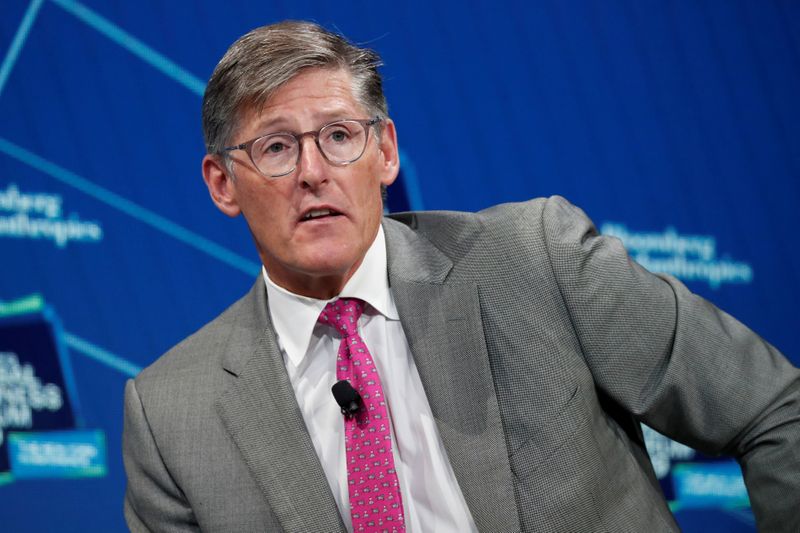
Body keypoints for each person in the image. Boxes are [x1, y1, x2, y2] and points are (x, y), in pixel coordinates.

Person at [122, 20, 800, 533]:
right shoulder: (171, 417)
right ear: (222, 183)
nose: (312, 171)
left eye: (337, 135)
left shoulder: (537, 260)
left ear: (384, 151)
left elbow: (773, 408)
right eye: (275, 146)